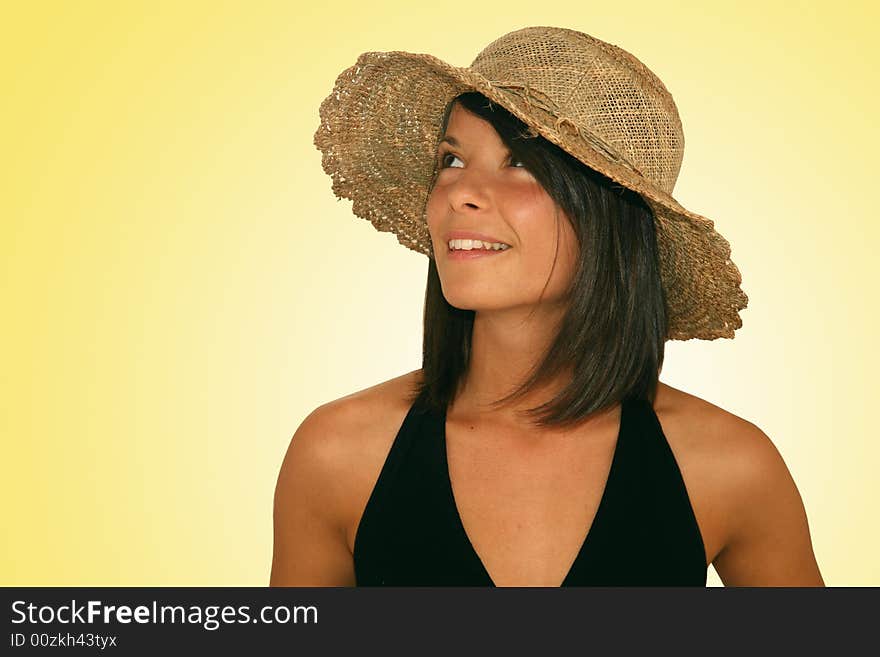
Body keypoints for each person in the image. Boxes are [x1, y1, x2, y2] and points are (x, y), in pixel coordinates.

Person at [271, 26, 824, 586]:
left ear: (608, 214)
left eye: (519, 163)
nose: (459, 193)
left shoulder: (727, 466)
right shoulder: (339, 454)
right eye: (452, 159)